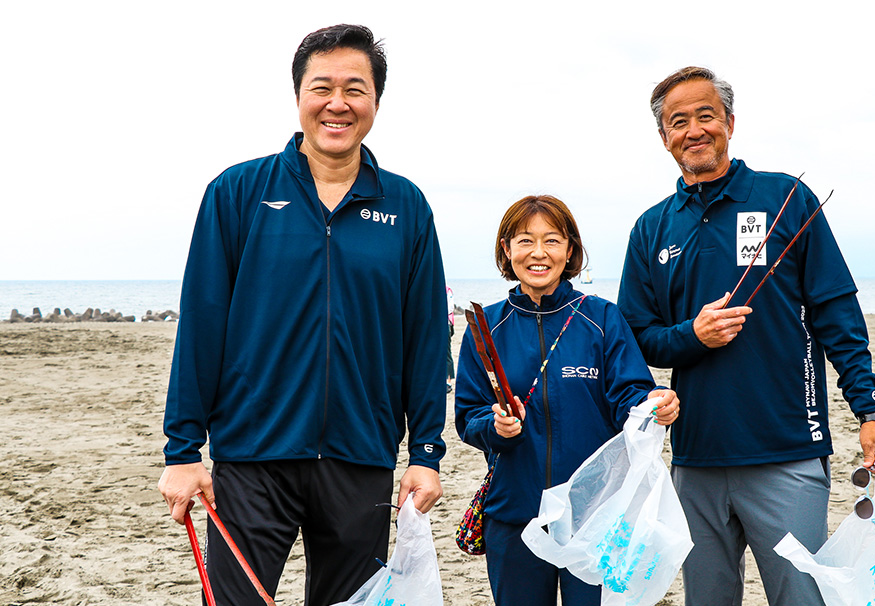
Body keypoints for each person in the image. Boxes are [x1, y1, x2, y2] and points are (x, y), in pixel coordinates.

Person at [156, 25, 448, 605]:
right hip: (252, 456)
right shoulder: (237, 192)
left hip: (361, 457)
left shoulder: (406, 206)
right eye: (322, 87)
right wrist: (182, 451)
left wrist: (426, 454)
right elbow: (202, 324)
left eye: (355, 89)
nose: (338, 103)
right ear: (298, 97)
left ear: (376, 102)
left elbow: (425, 337)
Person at [617, 66, 875, 605]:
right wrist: (693, 335)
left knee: (800, 597)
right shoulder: (651, 228)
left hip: (786, 451)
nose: (694, 130)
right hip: (696, 459)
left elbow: (837, 313)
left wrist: (871, 412)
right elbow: (637, 338)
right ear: (663, 137)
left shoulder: (786, 197)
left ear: (729, 122)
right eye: (679, 121)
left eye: (706, 115)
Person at [455, 195, 680, 606]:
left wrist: (654, 403)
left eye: (552, 240)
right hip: (514, 514)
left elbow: (629, 396)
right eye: (525, 240)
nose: (538, 253)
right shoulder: (485, 328)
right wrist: (496, 426)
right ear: (507, 249)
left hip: (595, 515)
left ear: (570, 249)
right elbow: (468, 417)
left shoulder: (602, 318)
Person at [447, 285, 456, 392]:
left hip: (445, 323)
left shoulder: (447, 290)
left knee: (447, 353)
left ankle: (448, 382)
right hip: (434, 324)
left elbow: (450, 308)